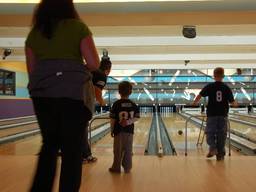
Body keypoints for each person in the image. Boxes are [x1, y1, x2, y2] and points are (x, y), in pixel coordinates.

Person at [25, 0, 100, 191]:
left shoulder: (34, 33)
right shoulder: (78, 27)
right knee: (72, 149)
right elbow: (93, 63)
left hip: (43, 96)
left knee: (49, 145)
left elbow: (32, 71)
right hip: (73, 94)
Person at [193, 67, 237, 161]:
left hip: (212, 114)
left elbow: (200, 95)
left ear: (213, 76)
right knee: (222, 134)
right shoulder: (226, 87)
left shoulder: (209, 86)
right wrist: (236, 105)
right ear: (223, 76)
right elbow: (233, 102)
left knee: (210, 132)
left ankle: (213, 148)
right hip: (223, 114)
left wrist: (194, 103)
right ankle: (220, 154)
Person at [82, 55, 112, 163]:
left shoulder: (91, 71)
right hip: (83, 104)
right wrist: (104, 105)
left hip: (71, 100)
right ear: (108, 70)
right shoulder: (102, 75)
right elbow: (97, 91)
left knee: (77, 130)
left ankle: (83, 155)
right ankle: (85, 156)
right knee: (82, 130)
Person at [109, 81, 140, 173]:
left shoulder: (116, 104)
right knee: (128, 149)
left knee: (117, 150)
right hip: (129, 131)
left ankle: (116, 167)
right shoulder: (133, 104)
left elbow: (112, 119)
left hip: (118, 131)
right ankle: (127, 168)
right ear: (130, 92)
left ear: (119, 92)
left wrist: (112, 130)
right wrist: (128, 122)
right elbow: (137, 117)